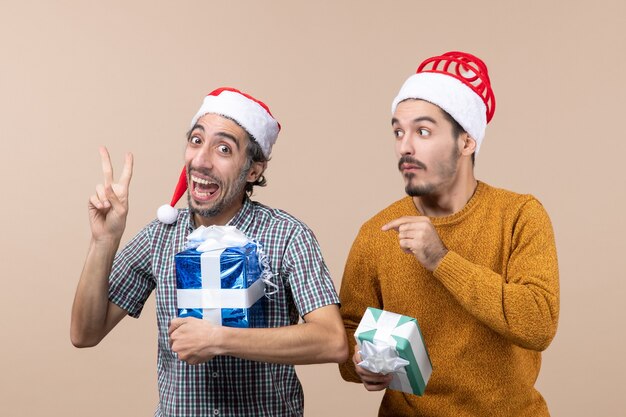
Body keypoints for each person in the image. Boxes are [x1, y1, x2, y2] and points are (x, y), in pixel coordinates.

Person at [71, 87, 348, 417]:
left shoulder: (287, 236)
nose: (201, 161)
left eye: (223, 149)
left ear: (254, 170)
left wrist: (219, 339)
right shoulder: (160, 236)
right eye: (196, 140)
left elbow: (333, 340)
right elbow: (85, 334)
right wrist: (104, 241)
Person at [338, 51, 559, 416]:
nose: (404, 146)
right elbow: (347, 334)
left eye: (423, 131)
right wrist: (360, 360)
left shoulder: (520, 215)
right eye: (398, 131)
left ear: (467, 141)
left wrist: (441, 260)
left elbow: (538, 324)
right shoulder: (376, 233)